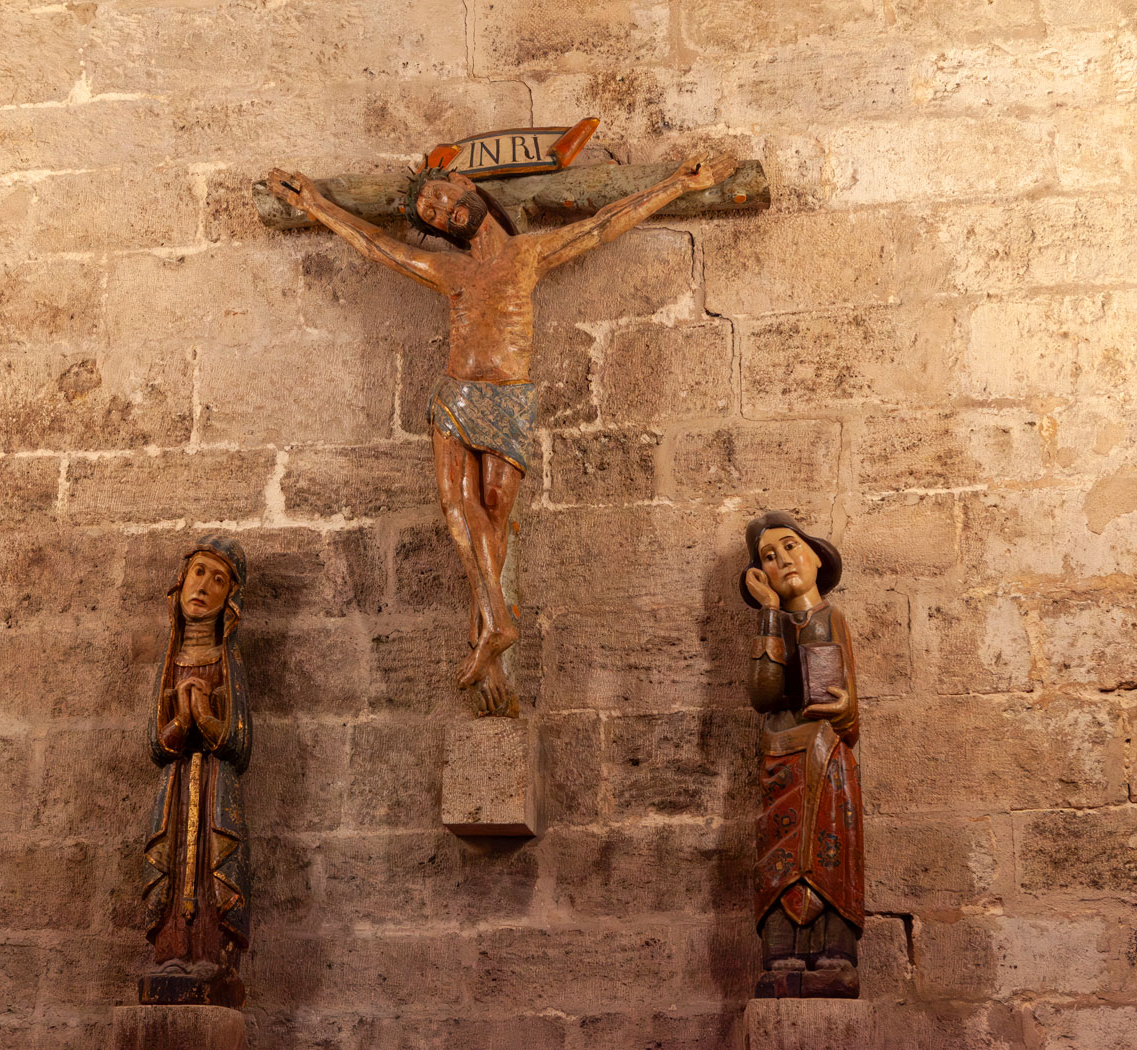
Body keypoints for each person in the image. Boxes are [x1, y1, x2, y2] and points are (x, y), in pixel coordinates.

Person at [267, 152, 736, 715]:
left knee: (492, 513)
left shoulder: (525, 254)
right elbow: (377, 246)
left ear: (464, 185)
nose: (440, 213)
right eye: (430, 215)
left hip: (509, 399)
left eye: (440, 198)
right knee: (456, 507)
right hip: (456, 396)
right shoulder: (451, 271)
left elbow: (603, 223)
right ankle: (497, 619)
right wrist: (316, 205)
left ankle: (490, 636)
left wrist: (678, 183)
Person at [741, 511, 864, 999]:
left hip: (828, 755)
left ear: (814, 555)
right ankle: (780, 960)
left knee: (828, 852)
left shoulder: (832, 618)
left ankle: (834, 958)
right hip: (781, 757)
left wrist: (845, 706)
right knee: (780, 859)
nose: (783, 560)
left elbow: (845, 710)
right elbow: (765, 695)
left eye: (791, 546)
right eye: (769, 557)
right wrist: (770, 611)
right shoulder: (773, 620)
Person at [140, 536, 253, 1008]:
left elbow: (242, 744)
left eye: (218, 578)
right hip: (175, 789)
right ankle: (170, 952)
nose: (204, 586)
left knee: (208, 864)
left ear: (230, 600)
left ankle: (211, 953)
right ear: (181, 582)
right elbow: (153, 742)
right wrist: (180, 724)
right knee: (174, 867)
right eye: (199, 572)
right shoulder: (171, 661)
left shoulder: (229, 661)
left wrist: (205, 720)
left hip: (214, 789)